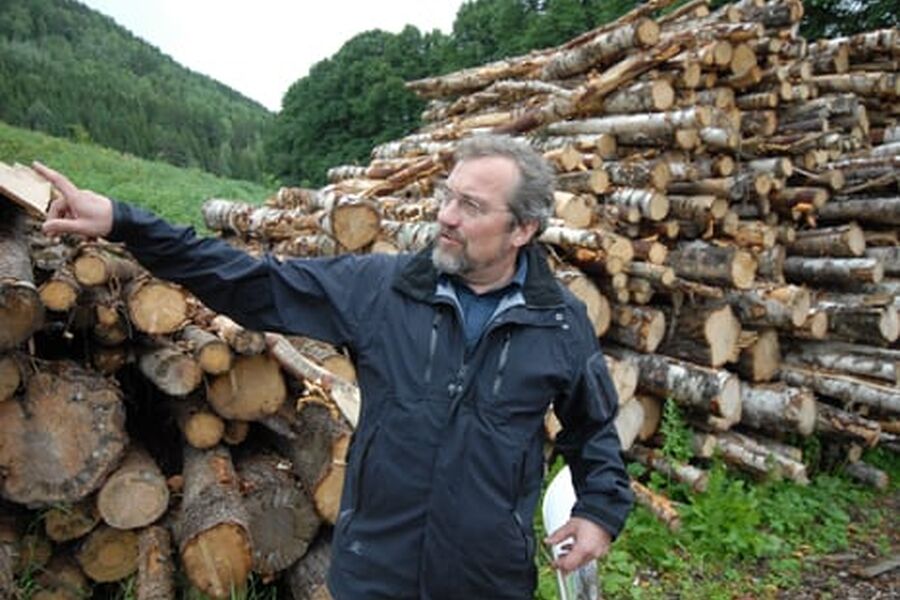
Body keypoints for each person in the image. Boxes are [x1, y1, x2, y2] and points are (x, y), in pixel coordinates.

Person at [36, 134, 633, 599]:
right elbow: (249, 282)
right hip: (373, 573)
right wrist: (124, 221)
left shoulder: (559, 323)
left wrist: (600, 511)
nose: (446, 215)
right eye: (447, 194)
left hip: (487, 580)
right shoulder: (382, 290)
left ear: (522, 229)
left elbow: (592, 429)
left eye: (471, 205)